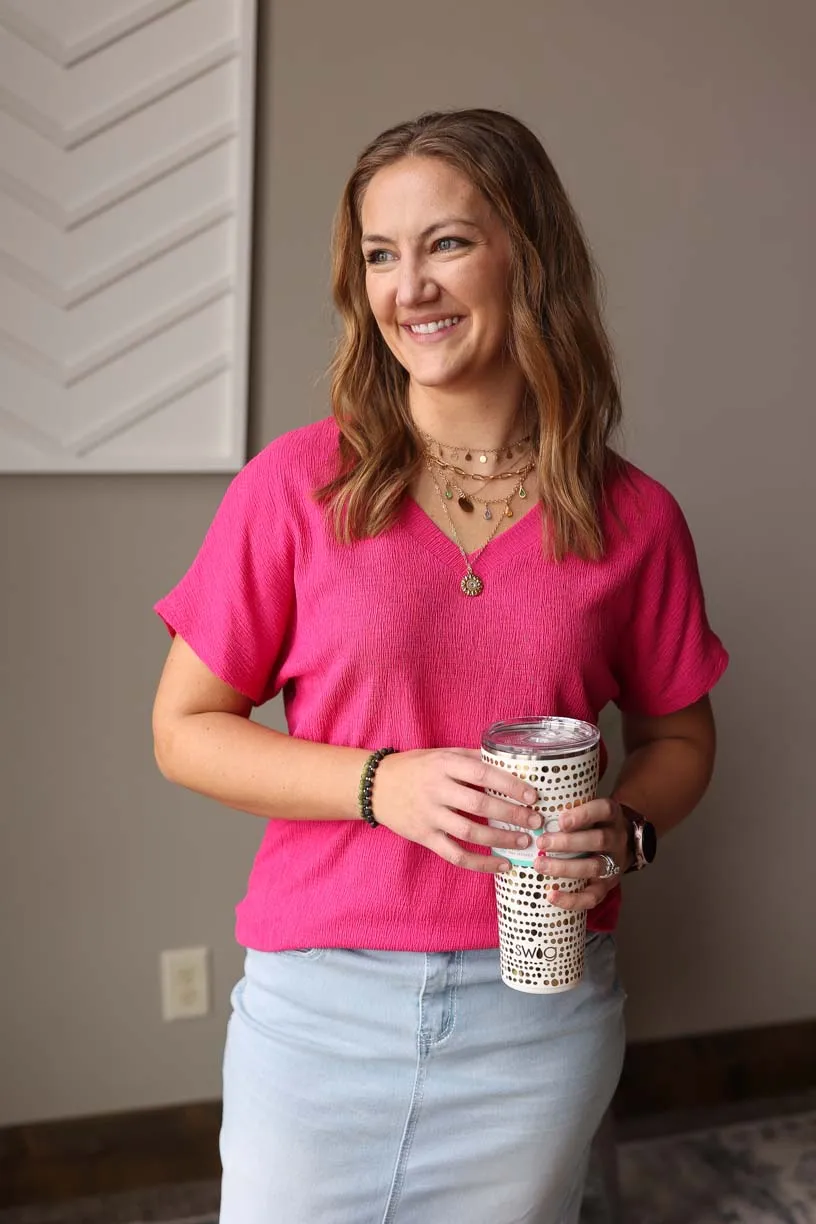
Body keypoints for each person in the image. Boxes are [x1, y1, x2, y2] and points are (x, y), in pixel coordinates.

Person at [152, 108, 728, 1224]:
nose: (408, 285)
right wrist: (383, 784)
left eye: (448, 243)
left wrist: (632, 827)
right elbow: (183, 728)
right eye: (381, 253)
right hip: (317, 1010)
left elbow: (681, 739)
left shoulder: (636, 518)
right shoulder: (295, 487)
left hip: (539, 1013)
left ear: (530, 254)